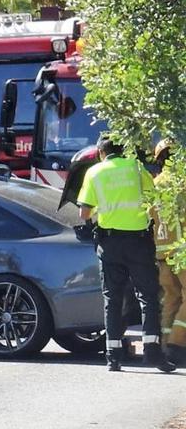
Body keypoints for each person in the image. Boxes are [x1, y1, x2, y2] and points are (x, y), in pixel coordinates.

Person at [77, 136, 176, 372]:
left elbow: (84, 213)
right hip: (138, 242)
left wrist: (102, 209)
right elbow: (154, 199)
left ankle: (113, 357)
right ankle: (152, 353)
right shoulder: (136, 167)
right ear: (123, 149)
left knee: (112, 298)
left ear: (101, 152)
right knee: (148, 297)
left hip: (109, 243)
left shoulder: (94, 172)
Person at [151, 139, 186, 366]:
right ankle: (176, 343)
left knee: (171, 299)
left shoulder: (154, 185)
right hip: (183, 252)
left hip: (163, 254)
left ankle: (164, 346)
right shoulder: (181, 182)